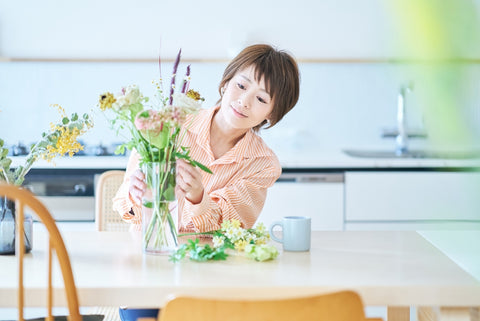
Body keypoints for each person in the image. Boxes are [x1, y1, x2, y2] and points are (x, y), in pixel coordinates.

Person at [112, 43, 300, 321]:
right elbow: (127, 208)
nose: (244, 101)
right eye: (241, 85)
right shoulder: (168, 125)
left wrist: (198, 197)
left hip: (214, 278)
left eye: (261, 99)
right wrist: (138, 194)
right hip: (149, 268)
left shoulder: (263, 164)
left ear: (272, 114)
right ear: (225, 84)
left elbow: (232, 229)